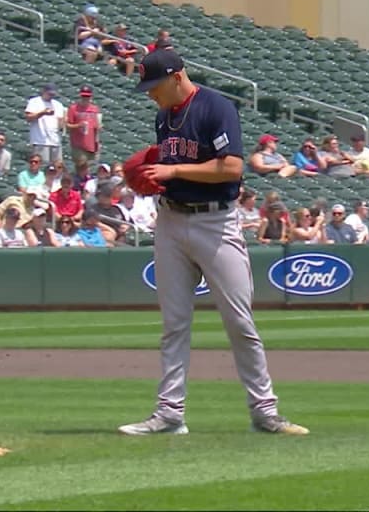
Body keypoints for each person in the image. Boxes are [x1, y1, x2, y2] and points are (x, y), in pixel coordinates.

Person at [117, 49, 306, 437]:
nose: (151, 94)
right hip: (170, 220)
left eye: (155, 86)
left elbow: (232, 166)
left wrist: (174, 169)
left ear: (176, 77)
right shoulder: (163, 117)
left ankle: (265, 412)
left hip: (216, 223)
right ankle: (170, 413)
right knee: (174, 324)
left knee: (239, 321)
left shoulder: (215, 107)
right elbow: (171, 170)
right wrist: (156, 177)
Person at [25, 83, 66, 165]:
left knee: (57, 167)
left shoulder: (58, 104)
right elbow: (28, 117)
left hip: (55, 141)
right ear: (44, 91)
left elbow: (60, 124)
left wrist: (63, 122)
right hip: (40, 141)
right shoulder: (35, 101)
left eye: (53, 94)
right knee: (43, 166)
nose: (51, 96)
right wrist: (42, 113)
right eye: (49, 93)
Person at [65, 85, 102, 166]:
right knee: (81, 167)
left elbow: (97, 126)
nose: (85, 98)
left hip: (92, 145)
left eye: (87, 96)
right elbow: (67, 125)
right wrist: (78, 125)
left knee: (92, 168)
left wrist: (99, 127)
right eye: (83, 96)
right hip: (79, 145)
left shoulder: (94, 109)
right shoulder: (73, 108)